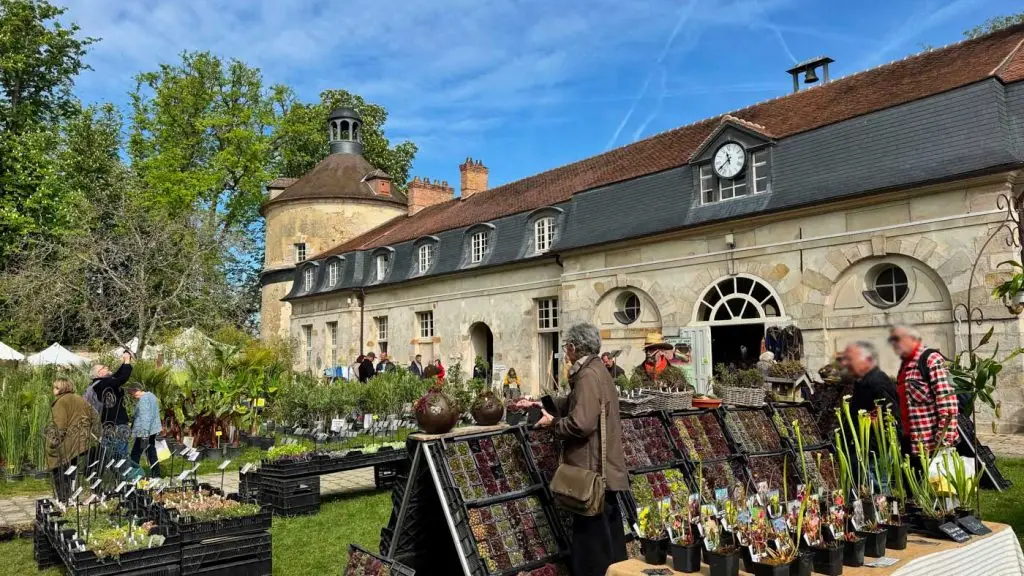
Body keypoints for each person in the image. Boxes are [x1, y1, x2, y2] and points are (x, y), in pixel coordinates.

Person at [530, 323, 627, 576]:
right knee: (608, 537)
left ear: (573, 347)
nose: (565, 352)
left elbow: (582, 424)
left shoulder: (587, 375)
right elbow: (585, 404)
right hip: (603, 469)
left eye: (566, 347)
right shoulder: (598, 369)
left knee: (592, 543)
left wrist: (554, 424)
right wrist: (547, 403)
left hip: (592, 470)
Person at [889, 325, 959, 458]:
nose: (894, 345)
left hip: (931, 446)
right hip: (908, 442)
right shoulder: (905, 364)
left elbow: (948, 403)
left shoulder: (931, 359)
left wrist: (944, 441)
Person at [842, 341, 901, 489]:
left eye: (852, 360)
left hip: (874, 451)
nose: (848, 364)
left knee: (878, 490)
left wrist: (872, 446)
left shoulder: (876, 382)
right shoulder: (864, 381)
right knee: (870, 491)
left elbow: (890, 416)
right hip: (865, 448)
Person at [45, 379, 98, 501]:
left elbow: (60, 425)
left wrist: (53, 443)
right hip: (82, 442)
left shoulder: (61, 402)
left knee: (59, 470)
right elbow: (95, 416)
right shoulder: (80, 399)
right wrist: (94, 434)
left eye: (56, 387)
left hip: (67, 442)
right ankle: (71, 498)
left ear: (61, 388)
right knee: (71, 470)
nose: (53, 390)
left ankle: (64, 499)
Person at [90, 350, 133, 460]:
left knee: (110, 454)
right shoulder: (103, 383)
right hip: (116, 423)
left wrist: (124, 362)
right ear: (99, 373)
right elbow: (122, 378)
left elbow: (117, 375)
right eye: (104, 368)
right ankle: (123, 471)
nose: (107, 368)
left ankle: (112, 469)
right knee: (121, 454)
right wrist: (127, 361)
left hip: (108, 423)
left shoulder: (100, 383)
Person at [128, 386, 163, 477]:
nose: (132, 396)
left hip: (143, 431)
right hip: (153, 429)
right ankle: (156, 474)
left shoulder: (143, 400)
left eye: (131, 394)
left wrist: (144, 434)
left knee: (136, 453)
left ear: (136, 391)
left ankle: (134, 474)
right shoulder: (151, 395)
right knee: (151, 451)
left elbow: (145, 418)